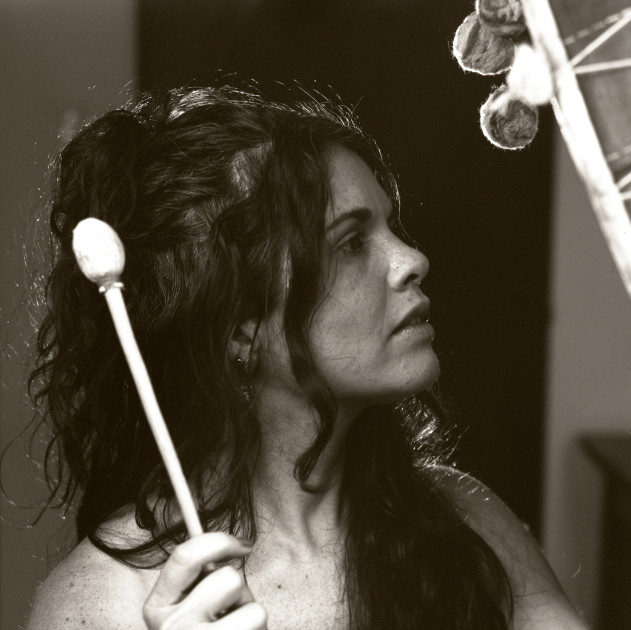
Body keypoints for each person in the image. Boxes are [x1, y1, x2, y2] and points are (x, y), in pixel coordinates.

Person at [24, 86, 586, 630]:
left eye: (391, 226)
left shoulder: (468, 522)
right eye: (351, 243)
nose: (412, 259)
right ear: (239, 330)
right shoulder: (99, 605)